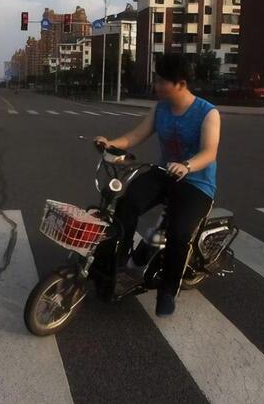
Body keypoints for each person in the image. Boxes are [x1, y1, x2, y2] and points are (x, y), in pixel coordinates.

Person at [93, 54, 220, 317]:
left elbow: (209, 152)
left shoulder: (208, 113)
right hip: (165, 173)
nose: (157, 85)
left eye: (162, 81)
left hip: (196, 182)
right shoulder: (160, 108)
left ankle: (167, 291)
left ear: (181, 83)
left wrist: (186, 165)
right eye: (157, 79)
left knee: (179, 233)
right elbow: (135, 136)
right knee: (127, 204)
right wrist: (110, 144)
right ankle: (118, 266)